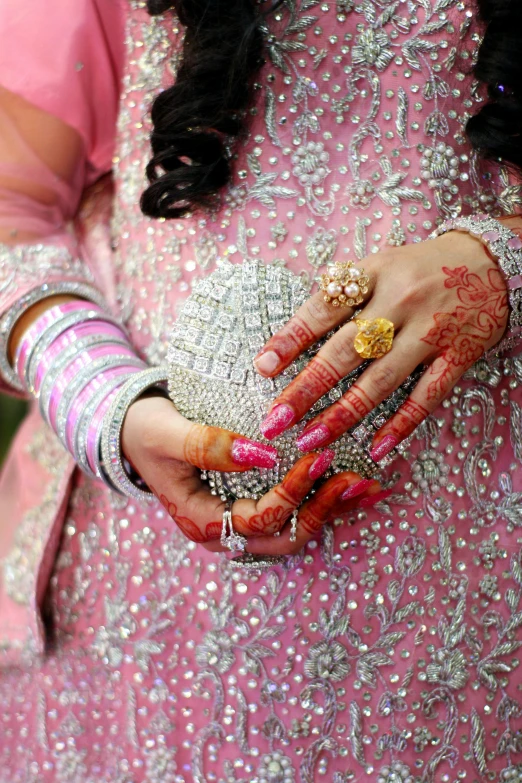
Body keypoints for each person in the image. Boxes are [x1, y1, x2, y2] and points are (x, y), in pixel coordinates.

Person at [0, 0, 521, 780]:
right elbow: (13, 215)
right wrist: (105, 404)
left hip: (478, 627)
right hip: (136, 607)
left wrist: (498, 270)